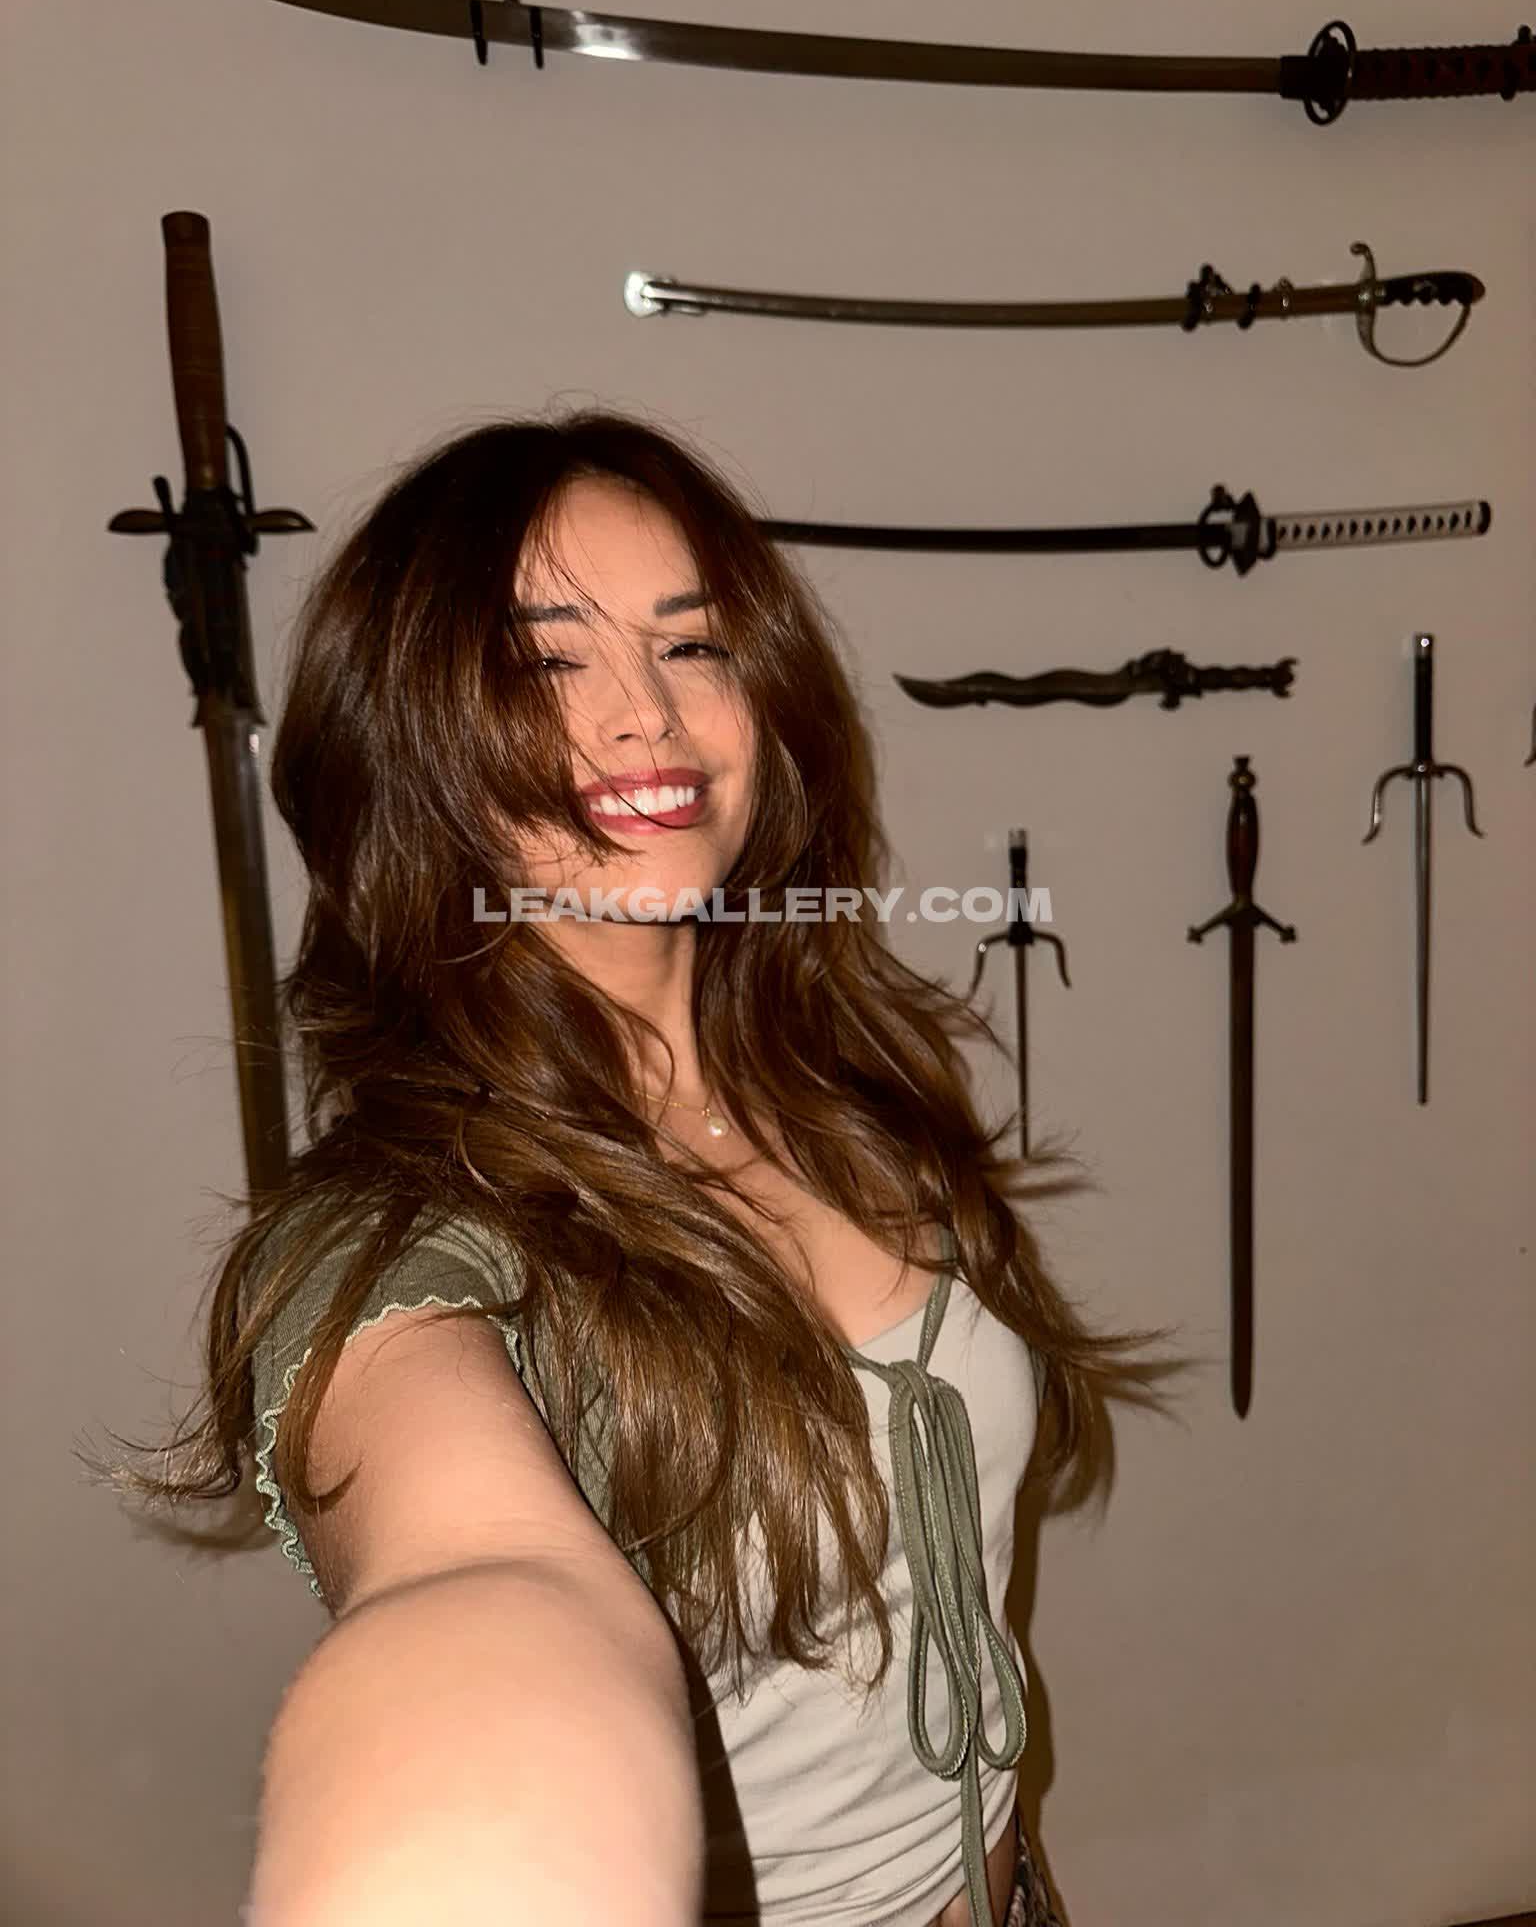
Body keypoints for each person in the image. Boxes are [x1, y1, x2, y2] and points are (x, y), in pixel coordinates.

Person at [106, 410, 1185, 1925]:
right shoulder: (389, 1242)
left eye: (691, 646)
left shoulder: (843, 1083)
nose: (648, 718)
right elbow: (475, 1585)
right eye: (546, 664)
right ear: (410, 748)